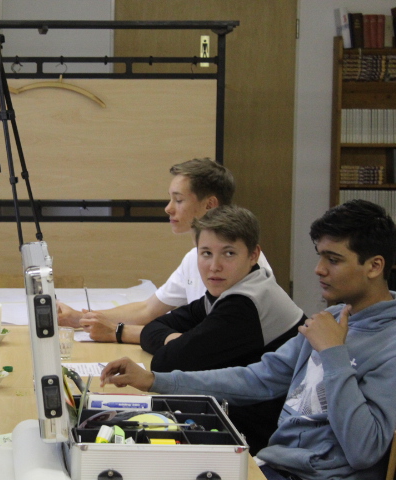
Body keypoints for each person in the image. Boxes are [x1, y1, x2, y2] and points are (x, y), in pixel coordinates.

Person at [100, 199, 396, 480]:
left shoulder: (387, 344)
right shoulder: (331, 319)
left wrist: (333, 353)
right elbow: (258, 378)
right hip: (272, 463)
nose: (319, 269)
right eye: (320, 256)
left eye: (333, 260)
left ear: (374, 266)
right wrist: (154, 381)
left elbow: (364, 450)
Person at [137, 205, 304, 453]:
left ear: (253, 255)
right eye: (206, 253)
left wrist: (180, 344)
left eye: (228, 253)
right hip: (244, 414)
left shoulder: (245, 303)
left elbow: (165, 363)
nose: (214, 266)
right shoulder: (231, 289)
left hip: (267, 435)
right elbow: (153, 328)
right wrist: (177, 339)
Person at [58, 158, 273, 344]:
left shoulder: (242, 266)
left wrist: (118, 332)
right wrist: (78, 318)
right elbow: (148, 310)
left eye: (178, 200)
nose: (168, 208)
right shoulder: (193, 258)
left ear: (210, 205)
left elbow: (209, 341)